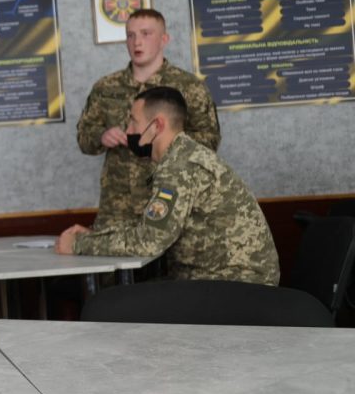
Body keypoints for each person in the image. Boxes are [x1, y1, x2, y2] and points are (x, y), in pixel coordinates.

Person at [56, 86, 278, 286]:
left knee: (119, 304)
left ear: (157, 126)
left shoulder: (179, 167)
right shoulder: (182, 155)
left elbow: (149, 241)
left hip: (234, 285)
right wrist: (96, 235)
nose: (128, 131)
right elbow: (152, 226)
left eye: (134, 121)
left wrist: (77, 244)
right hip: (221, 279)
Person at [77, 8, 220, 228]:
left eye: (146, 34)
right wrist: (101, 136)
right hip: (118, 208)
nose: (137, 42)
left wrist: (165, 141)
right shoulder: (105, 87)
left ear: (164, 39)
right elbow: (84, 138)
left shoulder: (189, 87)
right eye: (131, 35)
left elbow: (209, 140)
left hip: (171, 199)